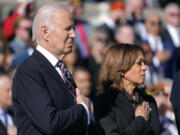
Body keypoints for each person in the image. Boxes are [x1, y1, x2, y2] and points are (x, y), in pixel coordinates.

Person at [12, 3, 92, 135]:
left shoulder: (61, 69)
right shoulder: (29, 71)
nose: (73, 35)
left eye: (73, 28)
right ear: (45, 32)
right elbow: (50, 123)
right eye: (67, 29)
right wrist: (83, 108)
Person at [94, 44, 160, 135]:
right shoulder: (104, 102)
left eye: (144, 63)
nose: (145, 67)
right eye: (139, 63)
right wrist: (140, 120)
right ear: (122, 68)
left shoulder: (149, 101)